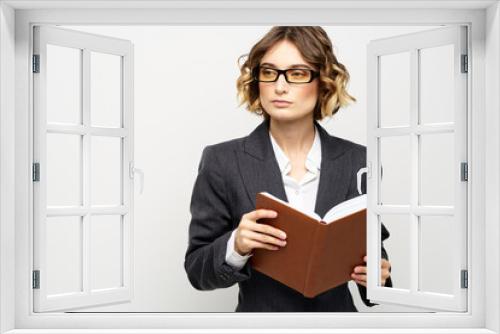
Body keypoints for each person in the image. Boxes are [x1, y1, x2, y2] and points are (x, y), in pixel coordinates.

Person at [184, 26, 392, 312]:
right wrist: (237, 245)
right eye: (269, 72)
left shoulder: (359, 161)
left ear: (324, 81)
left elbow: (375, 270)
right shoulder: (222, 161)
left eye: (297, 74)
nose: (280, 86)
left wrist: (378, 278)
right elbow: (197, 271)